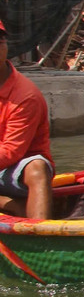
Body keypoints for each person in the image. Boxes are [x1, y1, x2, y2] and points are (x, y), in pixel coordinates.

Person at [0, 18, 53, 220]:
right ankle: (8, 204)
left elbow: (11, 152)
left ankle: (41, 237)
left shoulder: (25, 96)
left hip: (15, 170)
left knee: (37, 167)